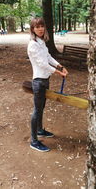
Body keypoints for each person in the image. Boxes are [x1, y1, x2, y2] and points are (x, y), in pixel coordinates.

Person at [27, 17, 68, 152]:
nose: (40, 29)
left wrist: (60, 66)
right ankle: (34, 141)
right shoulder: (32, 44)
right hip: (38, 82)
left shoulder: (41, 42)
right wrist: (58, 72)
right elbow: (42, 64)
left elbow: (48, 57)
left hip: (45, 80)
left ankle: (39, 130)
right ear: (32, 29)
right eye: (37, 27)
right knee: (37, 110)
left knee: (41, 108)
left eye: (41, 26)